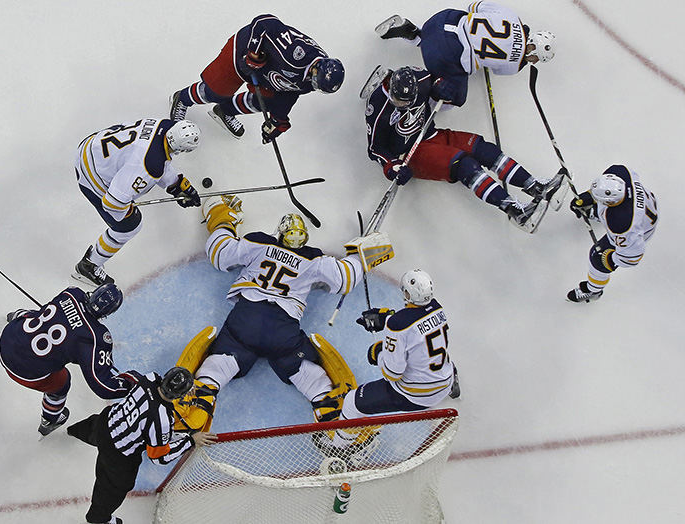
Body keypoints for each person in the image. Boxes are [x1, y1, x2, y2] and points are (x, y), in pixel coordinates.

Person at [173, 195, 394, 430]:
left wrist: (222, 219)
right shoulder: (314, 258)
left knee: (218, 365)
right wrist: (361, 256)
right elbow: (345, 279)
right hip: (283, 332)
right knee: (310, 376)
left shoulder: (261, 243)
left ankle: (200, 402)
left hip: (245, 322)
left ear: (279, 232)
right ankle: (331, 414)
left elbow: (219, 253)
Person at [365, 65, 564, 231]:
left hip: (431, 133)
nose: (402, 105)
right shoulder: (377, 106)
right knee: (464, 165)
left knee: (484, 149)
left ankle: (536, 187)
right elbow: (375, 148)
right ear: (390, 89)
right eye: (398, 101)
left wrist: (438, 85)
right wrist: (392, 166)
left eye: (406, 101)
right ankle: (515, 211)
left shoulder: (420, 77)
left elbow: (434, 78)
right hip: (411, 153)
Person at [327, 269, 460, 451]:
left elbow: (393, 373)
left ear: (407, 293)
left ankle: (340, 448)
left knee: (352, 402)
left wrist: (378, 353)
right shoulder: (437, 308)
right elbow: (416, 326)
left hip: (416, 395)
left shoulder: (397, 326)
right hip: (444, 381)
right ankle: (453, 386)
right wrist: (388, 317)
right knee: (433, 356)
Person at [67, 367, 218, 524]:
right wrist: (191, 440)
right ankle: (98, 519)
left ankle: (71, 431)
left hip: (107, 421)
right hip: (118, 453)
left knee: (89, 428)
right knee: (114, 488)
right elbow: (159, 457)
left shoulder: (150, 378)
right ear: (179, 396)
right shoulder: (162, 420)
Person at [169, 13, 344, 141]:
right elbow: (264, 21)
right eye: (316, 82)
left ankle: (224, 111)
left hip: (265, 73)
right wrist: (254, 54)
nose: (313, 86)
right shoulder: (295, 53)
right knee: (217, 92)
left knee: (268, 102)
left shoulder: (315, 80)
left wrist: (279, 120)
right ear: (316, 68)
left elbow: (291, 91)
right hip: (242, 52)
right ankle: (182, 99)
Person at [73, 118, 202, 287]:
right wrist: (126, 212)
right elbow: (112, 202)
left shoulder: (164, 125)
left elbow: (157, 156)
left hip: (90, 146)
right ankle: (89, 265)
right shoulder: (149, 166)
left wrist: (176, 184)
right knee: (129, 226)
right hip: (91, 176)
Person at [0, 284, 136, 436]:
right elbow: (103, 386)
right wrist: (130, 384)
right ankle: (50, 419)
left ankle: (15, 315)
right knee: (62, 382)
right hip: (21, 370)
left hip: (7, 337)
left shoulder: (72, 293)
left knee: (37, 316)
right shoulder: (96, 336)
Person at [375, 1, 556, 106]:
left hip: (440, 20)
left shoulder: (511, 15)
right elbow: (497, 69)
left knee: (461, 20)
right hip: (443, 56)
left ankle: (413, 32)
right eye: (536, 58)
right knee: (455, 97)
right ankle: (409, 85)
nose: (532, 61)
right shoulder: (514, 66)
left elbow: (474, 6)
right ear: (533, 49)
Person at [567, 164, 658, 302]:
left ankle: (593, 290)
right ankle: (597, 213)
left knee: (597, 260)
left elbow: (632, 257)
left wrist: (610, 259)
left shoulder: (622, 224)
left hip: (642, 228)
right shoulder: (620, 172)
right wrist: (589, 196)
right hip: (646, 207)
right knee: (606, 211)